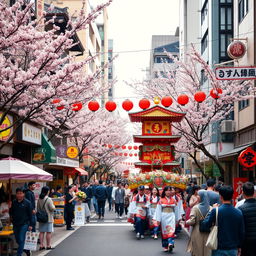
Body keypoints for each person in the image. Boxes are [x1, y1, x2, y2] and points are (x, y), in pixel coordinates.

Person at [201, 185, 244, 256]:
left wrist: (210, 211)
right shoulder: (238, 212)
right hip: (233, 249)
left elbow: (205, 225)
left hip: (218, 248)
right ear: (232, 196)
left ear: (220, 197)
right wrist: (239, 247)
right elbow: (241, 232)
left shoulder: (216, 211)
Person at [186, 190, 211, 256]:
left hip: (197, 231)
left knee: (197, 251)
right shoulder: (211, 208)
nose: (197, 197)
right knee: (206, 251)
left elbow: (192, 221)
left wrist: (186, 222)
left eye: (198, 195)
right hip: (208, 232)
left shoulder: (195, 208)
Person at [10, 187, 33, 256]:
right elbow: (11, 212)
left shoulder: (28, 203)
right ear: (16, 194)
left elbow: (30, 214)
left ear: (23, 194)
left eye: (21, 193)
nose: (19, 195)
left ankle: (19, 254)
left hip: (24, 224)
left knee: (21, 238)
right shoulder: (13, 202)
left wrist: (31, 225)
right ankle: (26, 249)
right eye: (18, 193)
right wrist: (9, 209)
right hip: (15, 224)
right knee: (18, 240)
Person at [153, 186, 177, 252]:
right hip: (164, 217)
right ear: (165, 191)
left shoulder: (174, 200)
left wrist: (178, 218)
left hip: (171, 216)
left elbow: (176, 210)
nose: (169, 192)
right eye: (167, 190)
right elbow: (158, 210)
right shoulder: (161, 200)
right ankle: (166, 246)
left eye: (170, 190)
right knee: (164, 231)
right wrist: (158, 220)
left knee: (171, 230)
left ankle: (170, 243)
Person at [238, 182, 256, 256]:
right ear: (254, 192)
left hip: (246, 242)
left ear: (243, 193)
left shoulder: (240, 209)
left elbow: (240, 229)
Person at [37, 186, 55, 250]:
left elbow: (38, 208)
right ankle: (48, 245)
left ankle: (41, 245)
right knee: (48, 232)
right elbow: (52, 208)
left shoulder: (39, 199)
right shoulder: (48, 199)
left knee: (41, 232)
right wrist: (54, 206)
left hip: (41, 218)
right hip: (48, 218)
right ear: (47, 191)